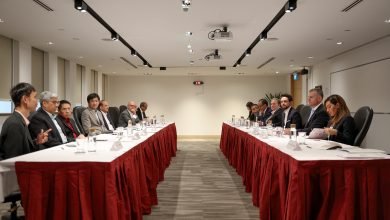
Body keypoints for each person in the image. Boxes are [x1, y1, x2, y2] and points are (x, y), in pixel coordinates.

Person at [0, 83, 50, 159]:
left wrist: (37, 141)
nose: (37, 101)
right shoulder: (15, 124)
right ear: (25, 99)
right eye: (35, 97)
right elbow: (14, 160)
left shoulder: (20, 120)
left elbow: (23, 149)